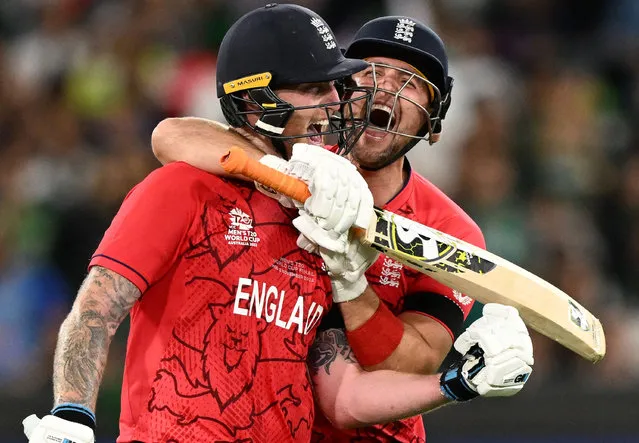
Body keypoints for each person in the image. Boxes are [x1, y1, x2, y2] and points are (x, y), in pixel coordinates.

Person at [24, 6, 534, 443]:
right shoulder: (192, 188)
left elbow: (343, 396)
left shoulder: (329, 232)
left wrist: (451, 381)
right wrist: (72, 411)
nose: (359, 98)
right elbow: (97, 304)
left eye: (410, 85)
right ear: (260, 100)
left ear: (434, 120)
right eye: (357, 78)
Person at [152, 15, 490, 442]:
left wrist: (350, 282)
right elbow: (171, 135)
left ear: (431, 121)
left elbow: (416, 362)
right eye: (370, 72)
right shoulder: (295, 157)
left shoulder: (449, 229)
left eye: (409, 81)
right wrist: (284, 177)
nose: (384, 88)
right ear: (338, 89)